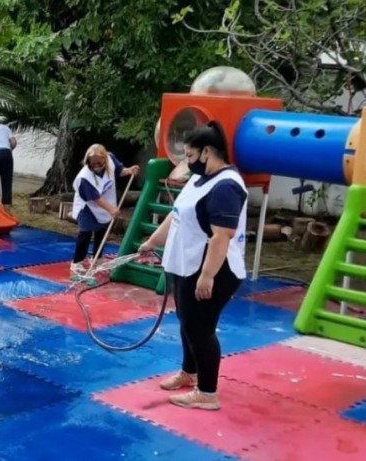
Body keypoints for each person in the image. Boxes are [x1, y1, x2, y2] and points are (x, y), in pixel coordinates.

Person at [138, 121, 248, 411]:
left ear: (207, 152)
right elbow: (175, 215)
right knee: (187, 323)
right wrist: (152, 242)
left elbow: (221, 236)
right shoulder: (199, 180)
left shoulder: (226, 186)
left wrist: (207, 276)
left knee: (200, 329)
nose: (187, 161)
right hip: (186, 265)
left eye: (189, 155)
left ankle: (208, 393)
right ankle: (190, 372)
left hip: (213, 269)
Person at [70, 144, 140, 275]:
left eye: (99, 163)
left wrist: (129, 171)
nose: (96, 166)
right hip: (87, 206)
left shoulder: (111, 159)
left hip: (106, 202)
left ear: (105, 160)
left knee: (102, 231)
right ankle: (77, 262)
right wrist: (111, 209)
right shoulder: (84, 178)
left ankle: (97, 258)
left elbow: (119, 170)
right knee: (85, 233)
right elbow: (95, 199)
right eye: (93, 163)